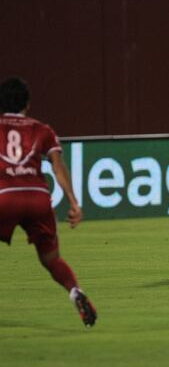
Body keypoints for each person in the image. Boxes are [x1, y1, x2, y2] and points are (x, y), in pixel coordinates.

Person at [0, 77, 97, 327]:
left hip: (5, 197)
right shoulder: (42, 129)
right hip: (38, 198)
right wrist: (74, 203)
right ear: (28, 104)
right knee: (51, 259)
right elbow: (58, 166)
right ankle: (75, 291)